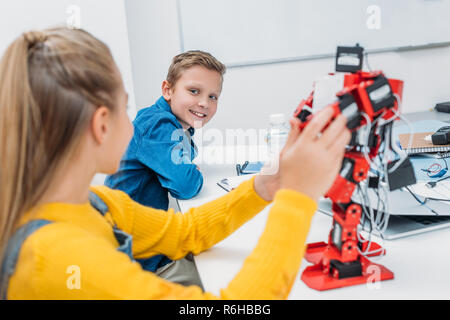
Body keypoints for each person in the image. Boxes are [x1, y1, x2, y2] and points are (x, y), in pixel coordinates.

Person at [0, 27, 350, 299]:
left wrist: (267, 187)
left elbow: (186, 232)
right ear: (101, 124)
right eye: (125, 106)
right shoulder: (59, 257)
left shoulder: (96, 204)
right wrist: (299, 199)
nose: (134, 120)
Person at [105, 50, 225, 211]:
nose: (204, 103)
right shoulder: (157, 124)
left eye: (213, 96)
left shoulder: (176, 123)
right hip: (124, 229)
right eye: (194, 91)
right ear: (167, 90)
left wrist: (184, 166)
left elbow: (183, 163)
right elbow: (185, 185)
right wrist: (191, 172)